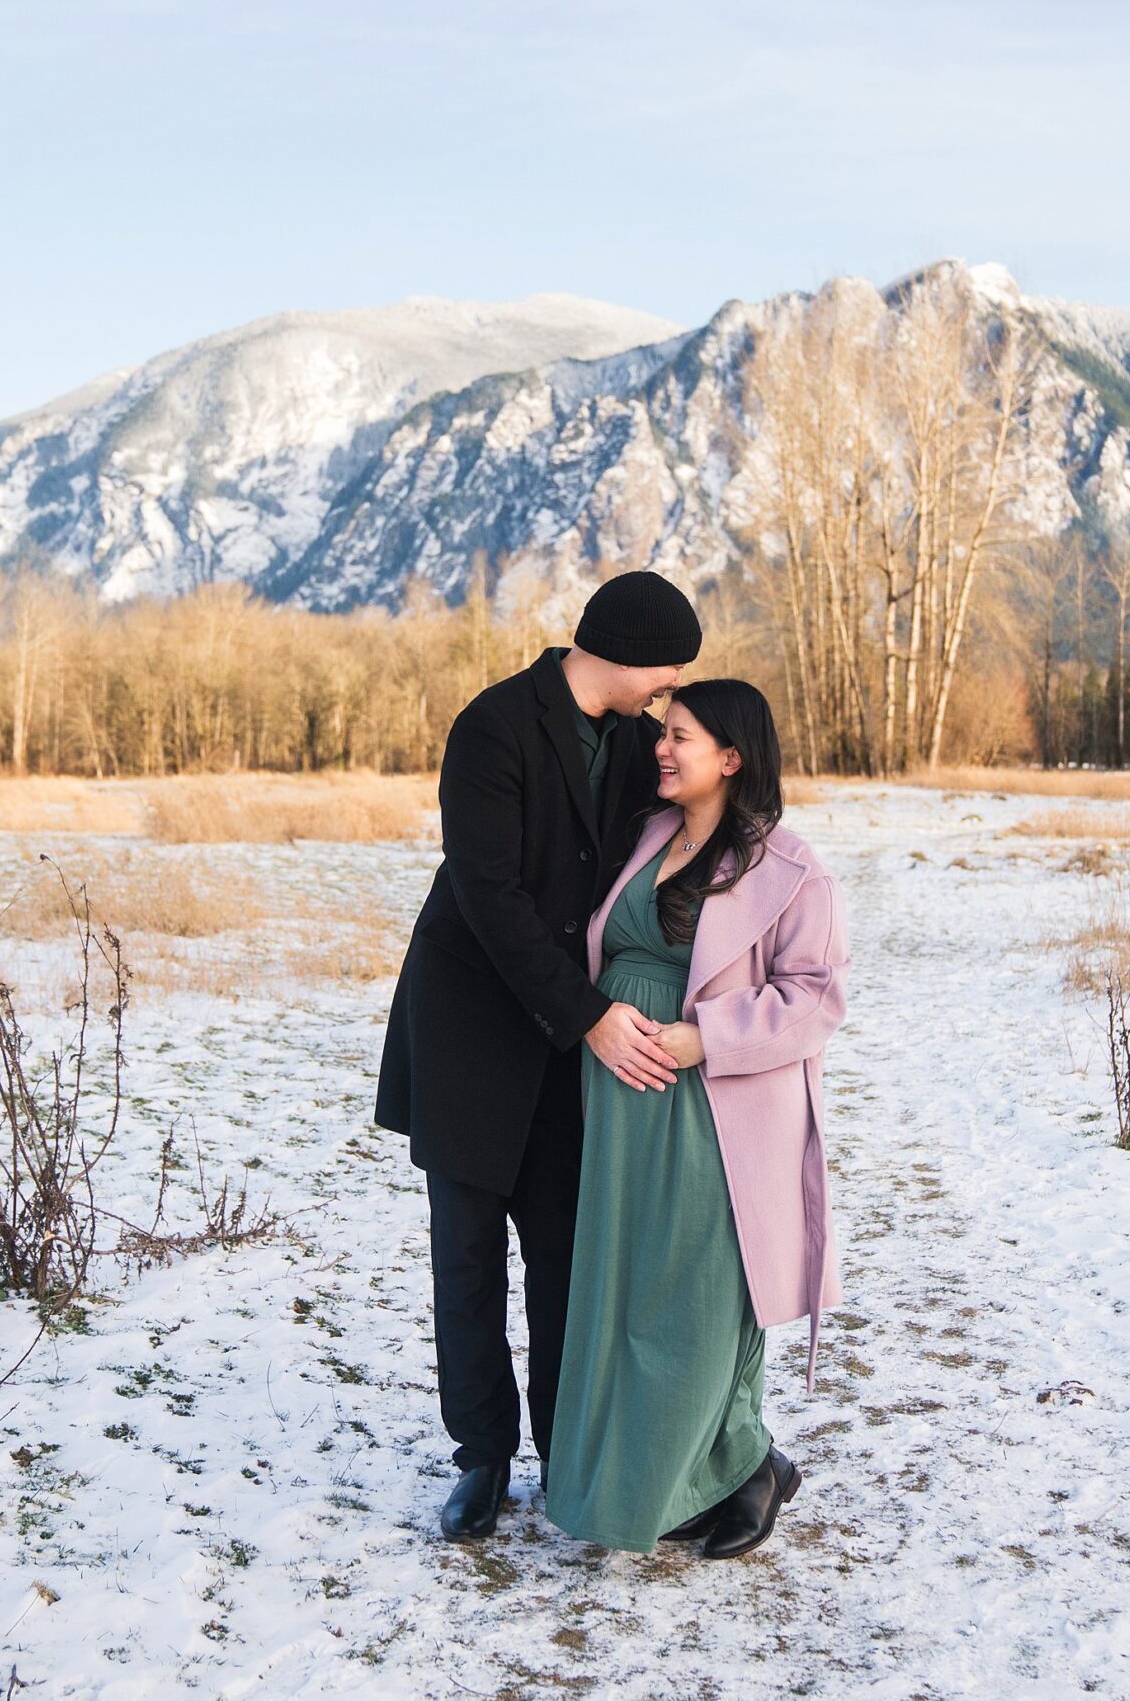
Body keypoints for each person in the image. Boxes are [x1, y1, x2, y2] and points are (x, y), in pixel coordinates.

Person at [374, 571, 704, 1541]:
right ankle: (480, 1456)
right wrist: (591, 1014)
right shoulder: (492, 726)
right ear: (623, 648)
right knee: (467, 1259)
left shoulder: (647, 744)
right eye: (668, 665)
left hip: (569, 1054)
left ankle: (570, 1454)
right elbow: (488, 896)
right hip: (473, 1032)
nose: (671, 686)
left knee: (567, 1259)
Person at [544, 678, 849, 1560]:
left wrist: (698, 1039)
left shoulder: (791, 870)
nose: (662, 749)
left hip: (711, 1107)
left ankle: (746, 1460)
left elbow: (815, 1000)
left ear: (733, 757)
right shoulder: (645, 837)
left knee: (703, 1298)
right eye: (662, 734)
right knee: (624, 1291)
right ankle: (666, 1478)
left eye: (681, 736)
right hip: (617, 1099)